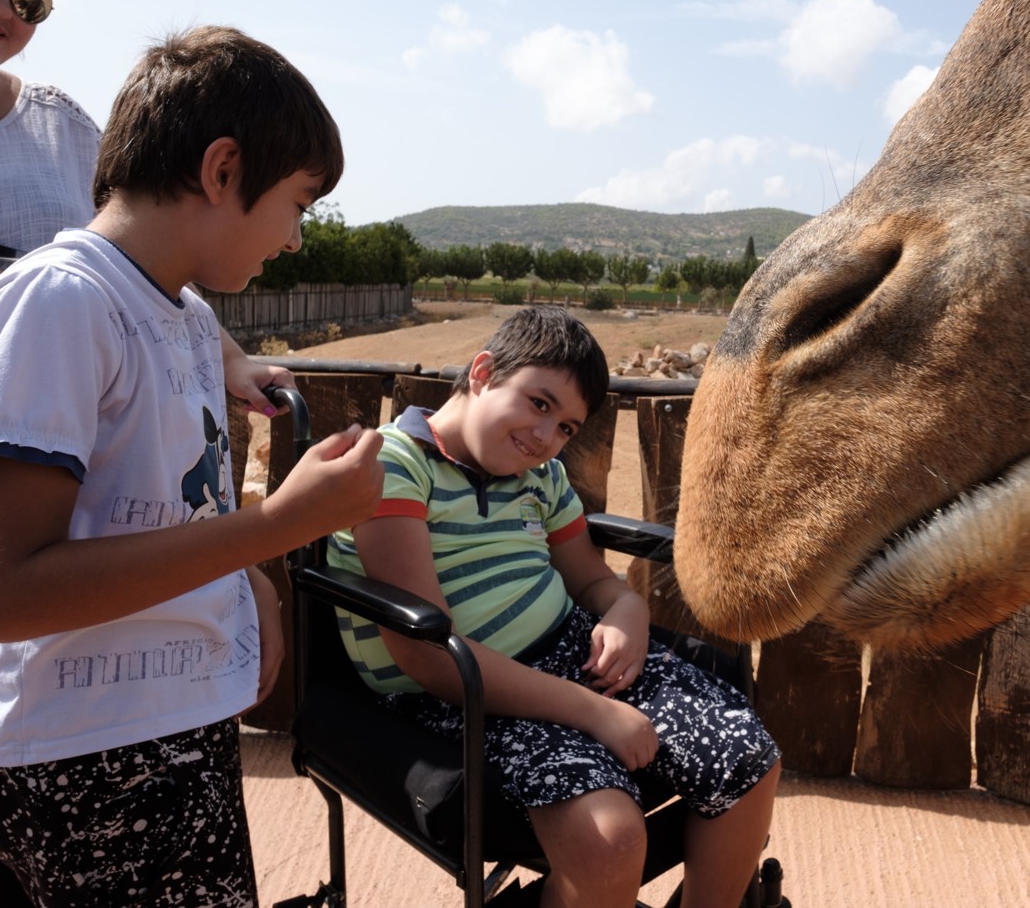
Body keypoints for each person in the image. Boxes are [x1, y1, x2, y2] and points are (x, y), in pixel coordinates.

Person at [0, 24, 387, 908]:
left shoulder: (181, 316)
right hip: (89, 761)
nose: (297, 239)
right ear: (223, 170)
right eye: (298, 203)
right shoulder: (60, 303)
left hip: (154, 732)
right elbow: (1, 593)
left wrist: (248, 590)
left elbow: (167, 509)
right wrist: (279, 526)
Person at [328, 306, 782, 908]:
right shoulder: (396, 465)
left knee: (750, 760)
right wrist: (596, 713)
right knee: (609, 841)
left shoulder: (539, 477)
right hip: (460, 694)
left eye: (566, 427)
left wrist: (627, 612)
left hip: (571, 653)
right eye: (539, 403)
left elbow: (591, 581)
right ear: (484, 373)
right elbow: (429, 658)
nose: (546, 438)